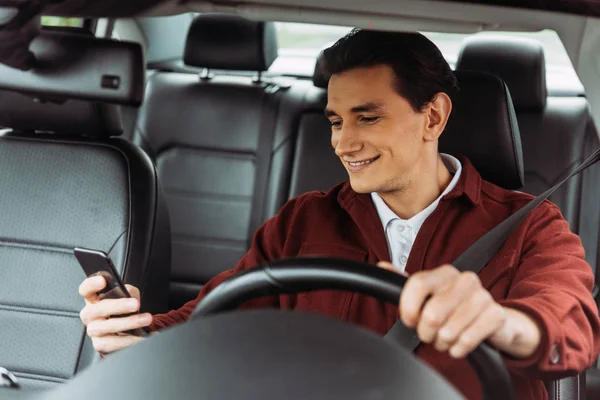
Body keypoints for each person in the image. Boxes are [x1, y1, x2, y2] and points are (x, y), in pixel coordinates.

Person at [78, 29, 600, 400]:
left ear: (433, 116)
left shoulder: (531, 226)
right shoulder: (304, 222)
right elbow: (212, 320)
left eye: (367, 118)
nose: (343, 142)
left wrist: (499, 322)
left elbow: (569, 324)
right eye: (334, 121)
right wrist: (132, 335)